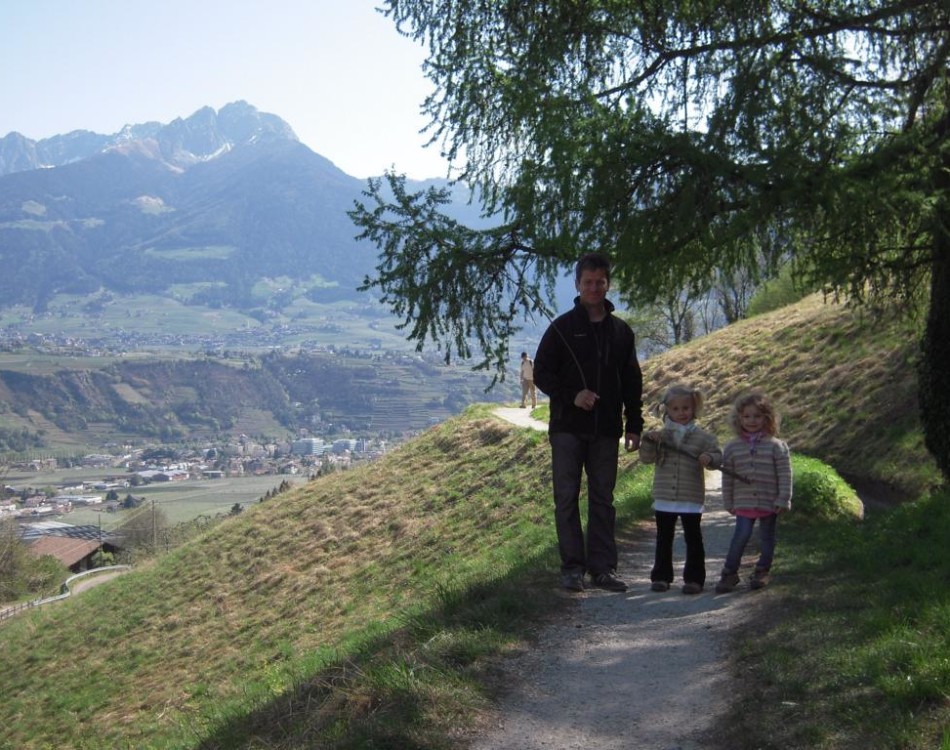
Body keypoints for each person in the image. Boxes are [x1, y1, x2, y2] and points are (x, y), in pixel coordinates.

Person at [533, 252, 644, 593]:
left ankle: (603, 569)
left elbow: (631, 381)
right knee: (566, 499)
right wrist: (573, 396)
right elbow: (541, 374)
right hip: (567, 428)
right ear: (577, 284)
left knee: (603, 500)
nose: (594, 288)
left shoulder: (621, 333)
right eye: (588, 282)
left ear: (608, 284)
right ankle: (572, 569)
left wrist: (634, 424)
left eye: (600, 282)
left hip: (606, 430)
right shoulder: (562, 328)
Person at [640, 384, 721, 594]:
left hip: (690, 498)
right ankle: (661, 576)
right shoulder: (661, 436)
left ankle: (694, 579)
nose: (681, 413)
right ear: (667, 410)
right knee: (663, 538)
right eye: (676, 409)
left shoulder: (703, 438)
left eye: (686, 408)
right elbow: (646, 459)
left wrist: (710, 458)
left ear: (693, 409)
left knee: (693, 538)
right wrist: (648, 442)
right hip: (665, 496)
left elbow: (717, 457)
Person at [715, 390, 793, 593]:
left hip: (769, 501)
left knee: (766, 538)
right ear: (739, 418)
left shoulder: (777, 446)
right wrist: (728, 501)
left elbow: (785, 475)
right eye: (747, 416)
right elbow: (728, 477)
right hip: (743, 502)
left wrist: (783, 498)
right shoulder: (732, 447)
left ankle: (762, 571)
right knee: (741, 535)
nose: (751, 421)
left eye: (757, 416)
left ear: (767, 418)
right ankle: (729, 573)